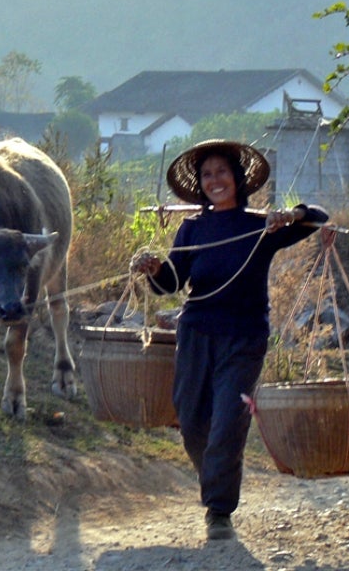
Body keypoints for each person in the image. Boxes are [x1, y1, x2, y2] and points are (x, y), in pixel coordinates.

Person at [130, 139, 329, 541]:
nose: (214, 180)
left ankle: (218, 512)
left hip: (244, 338)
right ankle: (215, 481)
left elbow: (319, 219)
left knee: (226, 423)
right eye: (207, 175)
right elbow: (170, 284)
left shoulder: (262, 227)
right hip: (197, 333)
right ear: (199, 184)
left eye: (222, 172)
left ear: (237, 179)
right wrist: (152, 268)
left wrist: (293, 214)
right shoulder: (192, 229)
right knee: (191, 421)